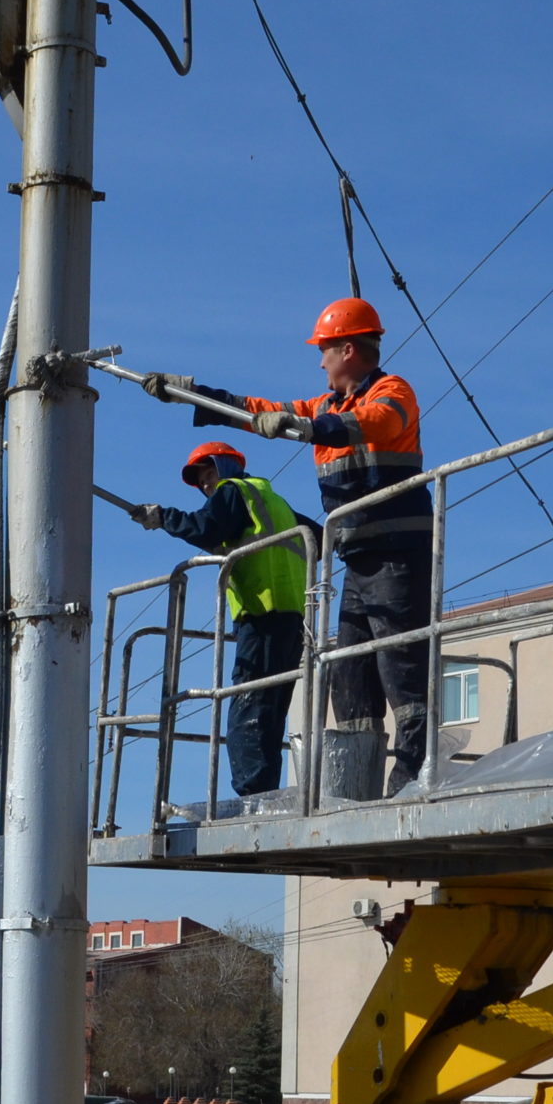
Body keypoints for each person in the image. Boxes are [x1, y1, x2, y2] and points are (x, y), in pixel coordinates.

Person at [143, 297, 433, 795]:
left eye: (323, 351)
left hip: (397, 554)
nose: (319, 362)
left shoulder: (392, 390)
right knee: (349, 673)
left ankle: (414, 778)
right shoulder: (324, 406)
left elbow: (380, 420)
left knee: (401, 668)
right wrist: (194, 397)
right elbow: (261, 413)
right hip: (358, 559)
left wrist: (313, 428)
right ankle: (358, 785)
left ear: (347, 349)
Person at [128, 443, 310, 799]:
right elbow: (314, 535)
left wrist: (164, 517)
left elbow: (206, 527)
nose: (208, 485)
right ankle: (265, 796)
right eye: (202, 481)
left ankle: (252, 798)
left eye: (209, 474)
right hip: (292, 618)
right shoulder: (275, 502)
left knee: (248, 708)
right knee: (270, 713)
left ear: (226, 467)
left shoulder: (233, 491)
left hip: (262, 614)